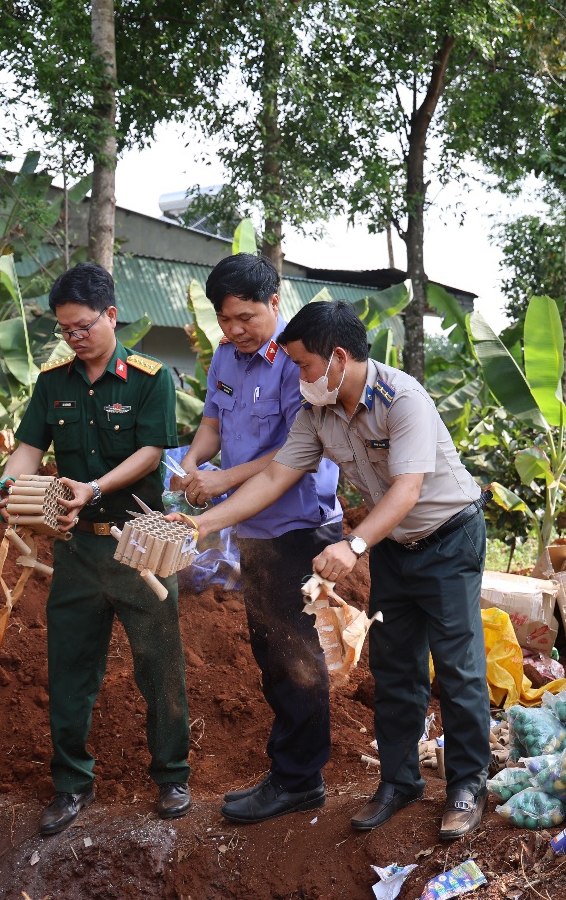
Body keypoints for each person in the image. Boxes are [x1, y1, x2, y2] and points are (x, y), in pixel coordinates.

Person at [174, 300, 492, 841]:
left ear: (338, 358)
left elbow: (407, 489)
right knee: (394, 668)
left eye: (303, 365)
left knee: (457, 668)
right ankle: (399, 782)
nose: (297, 377)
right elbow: (275, 476)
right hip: (393, 545)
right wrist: (203, 525)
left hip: (447, 539)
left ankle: (467, 787)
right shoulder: (317, 411)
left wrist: (355, 544)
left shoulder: (403, 398)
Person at [0, 263, 191, 836]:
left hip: (140, 547)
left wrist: (95, 487)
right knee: (70, 671)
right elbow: (28, 448)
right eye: (65, 330)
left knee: (160, 666)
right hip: (77, 552)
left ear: (110, 315)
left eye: (82, 326)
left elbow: (152, 453)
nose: (74, 337)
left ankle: (172, 776)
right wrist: (9, 489)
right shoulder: (53, 381)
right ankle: (71, 784)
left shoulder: (149, 378)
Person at [170, 253, 344, 824]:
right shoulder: (226, 356)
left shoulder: (300, 365)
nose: (236, 331)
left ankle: (300, 779)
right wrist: (193, 463)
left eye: (247, 317)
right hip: (250, 527)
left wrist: (220, 481)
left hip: (297, 525)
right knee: (271, 648)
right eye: (226, 320)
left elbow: (291, 455)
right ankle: (294, 772)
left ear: (275, 302)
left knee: (294, 653)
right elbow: (214, 424)